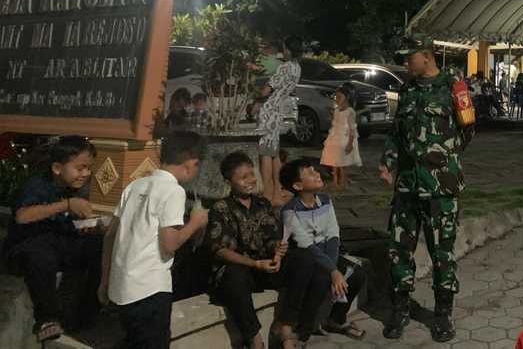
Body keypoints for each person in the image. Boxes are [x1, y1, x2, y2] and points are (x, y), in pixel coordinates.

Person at [379, 34, 474, 342]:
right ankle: (400, 308)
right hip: (407, 185)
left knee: (442, 252)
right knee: (398, 248)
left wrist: (444, 159)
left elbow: (468, 129)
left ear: (426, 56)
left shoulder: (453, 86)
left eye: (410, 57)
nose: (407, 63)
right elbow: (396, 131)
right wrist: (388, 161)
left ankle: (443, 313)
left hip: (440, 188)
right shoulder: (407, 90)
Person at [100, 131, 209, 349]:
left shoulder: (135, 186)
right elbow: (169, 244)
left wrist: (105, 280)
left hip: (122, 288)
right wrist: (195, 223)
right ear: (191, 163)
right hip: (150, 289)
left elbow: (110, 236)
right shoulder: (174, 191)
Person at [207, 152, 326, 349]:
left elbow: (272, 238)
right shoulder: (221, 209)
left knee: (304, 259)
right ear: (229, 182)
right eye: (243, 177)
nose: (250, 180)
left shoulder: (262, 204)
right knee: (233, 275)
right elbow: (219, 250)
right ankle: (254, 339)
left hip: (265, 267)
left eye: (251, 174)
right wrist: (254, 264)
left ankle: (285, 325)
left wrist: (278, 249)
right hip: (242, 270)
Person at [3, 136, 103, 343]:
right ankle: (47, 320)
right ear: (57, 168)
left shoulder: (75, 189)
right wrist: (66, 205)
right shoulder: (37, 185)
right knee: (41, 251)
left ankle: (84, 313)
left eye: (88, 168)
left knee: (98, 246)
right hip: (25, 250)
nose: (86, 173)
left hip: (58, 246)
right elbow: (23, 216)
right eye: (80, 168)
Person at [280, 158, 367, 341]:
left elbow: (333, 234)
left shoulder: (326, 200)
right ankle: (303, 331)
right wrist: (333, 271)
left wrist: (334, 269)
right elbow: (306, 245)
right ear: (297, 185)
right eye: (310, 173)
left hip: (327, 254)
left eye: (315, 170)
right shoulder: (290, 211)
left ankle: (335, 320)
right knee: (322, 277)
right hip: (305, 258)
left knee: (357, 274)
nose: (317, 174)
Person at [257, 35, 302, 204]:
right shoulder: (297, 68)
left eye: (284, 47)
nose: (282, 50)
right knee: (274, 153)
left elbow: (266, 90)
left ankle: (267, 194)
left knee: (265, 153)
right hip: (279, 110)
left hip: (270, 110)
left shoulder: (285, 67)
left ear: (288, 50)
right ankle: (276, 192)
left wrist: (255, 93)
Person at [320, 83, 362, 188]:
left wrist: (350, 143)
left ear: (346, 98)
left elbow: (352, 129)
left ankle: (343, 181)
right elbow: (335, 122)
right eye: (336, 97)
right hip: (334, 137)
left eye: (340, 97)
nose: (337, 99)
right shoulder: (337, 110)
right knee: (334, 160)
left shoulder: (350, 112)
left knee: (342, 162)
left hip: (344, 138)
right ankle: (335, 181)